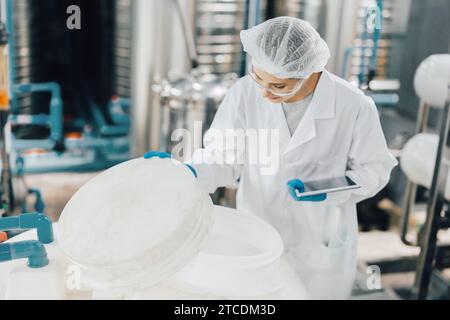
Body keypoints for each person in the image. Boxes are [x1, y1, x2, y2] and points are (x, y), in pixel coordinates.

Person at [145, 16, 397, 299]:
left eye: (279, 86)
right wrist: (189, 171)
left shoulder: (353, 105)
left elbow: (375, 169)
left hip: (321, 243)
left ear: (310, 72)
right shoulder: (244, 92)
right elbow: (224, 157)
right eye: (259, 78)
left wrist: (328, 188)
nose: (265, 93)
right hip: (257, 232)